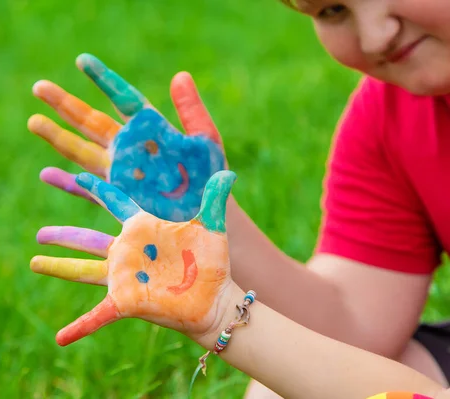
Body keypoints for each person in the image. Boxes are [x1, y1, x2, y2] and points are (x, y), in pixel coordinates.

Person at [26, 0, 450, 397]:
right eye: (332, 9)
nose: (375, 36)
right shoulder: (389, 117)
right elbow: (352, 323)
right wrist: (201, 214)